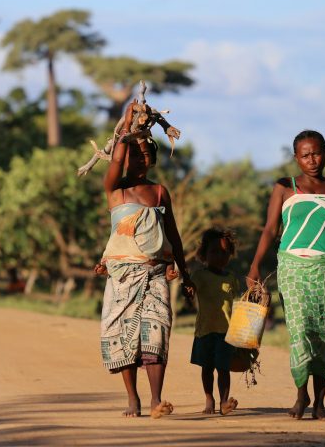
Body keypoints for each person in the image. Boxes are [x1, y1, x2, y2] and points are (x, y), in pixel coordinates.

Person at [94, 101, 194, 418]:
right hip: (122, 276)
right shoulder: (115, 191)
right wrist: (128, 126)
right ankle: (133, 399)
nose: (141, 159)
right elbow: (118, 157)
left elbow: (174, 235)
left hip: (156, 274)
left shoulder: (160, 193)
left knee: (157, 332)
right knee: (125, 336)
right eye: (135, 154)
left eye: (147, 154)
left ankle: (156, 399)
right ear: (123, 157)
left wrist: (185, 271)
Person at [247, 130, 325, 421]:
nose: (312, 160)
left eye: (316, 153)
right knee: (300, 330)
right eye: (305, 155)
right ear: (296, 158)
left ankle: (319, 403)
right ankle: (300, 394)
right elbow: (270, 229)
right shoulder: (285, 187)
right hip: (292, 268)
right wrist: (255, 266)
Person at [190, 226, 239, 416]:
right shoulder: (200, 275)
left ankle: (224, 402)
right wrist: (188, 290)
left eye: (224, 253)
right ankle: (209, 398)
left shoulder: (231, 278)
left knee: (224, 368)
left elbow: (237, 301)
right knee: (207, 368)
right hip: (205, 330)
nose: (220, 256)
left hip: (227, 332)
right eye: (214, 252)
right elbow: (192, 290)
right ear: (204, 254)